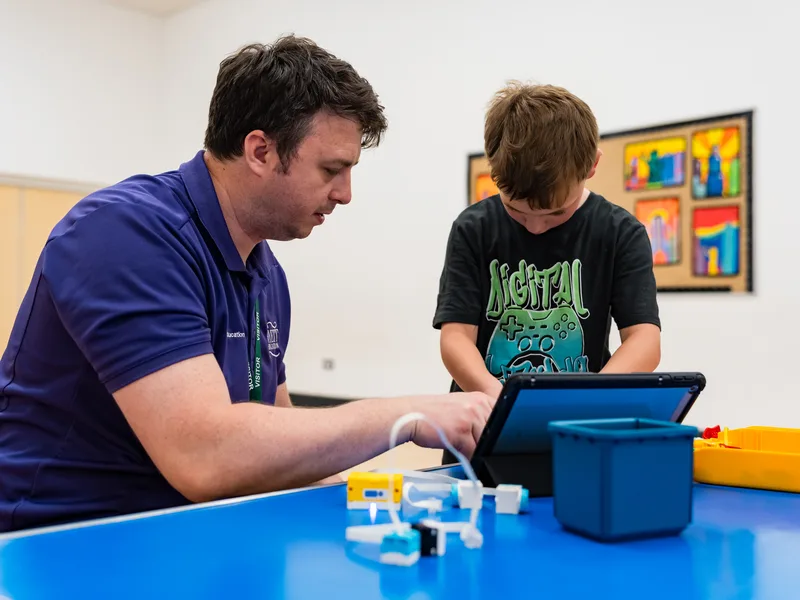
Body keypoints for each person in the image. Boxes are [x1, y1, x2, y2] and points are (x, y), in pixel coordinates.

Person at [0, 35, 494, 533]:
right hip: (59, 541)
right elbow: (203, 455)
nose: (345, 194)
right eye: (332, 170)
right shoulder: (122, 233)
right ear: (260, 151)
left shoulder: (265, 273)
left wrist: (387, 503)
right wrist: (407, 416)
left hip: (180, 535)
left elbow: (280, 447)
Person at [433, 81, 661, 403]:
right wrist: (500, 399)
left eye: (556, 213)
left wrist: (590, 397)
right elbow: (456, 337)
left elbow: (644, 340)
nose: (536, 227)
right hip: (483, 413)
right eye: (516, 210)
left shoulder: (621, 233)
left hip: (579, 416)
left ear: (592, 166)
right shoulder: (473, 229)